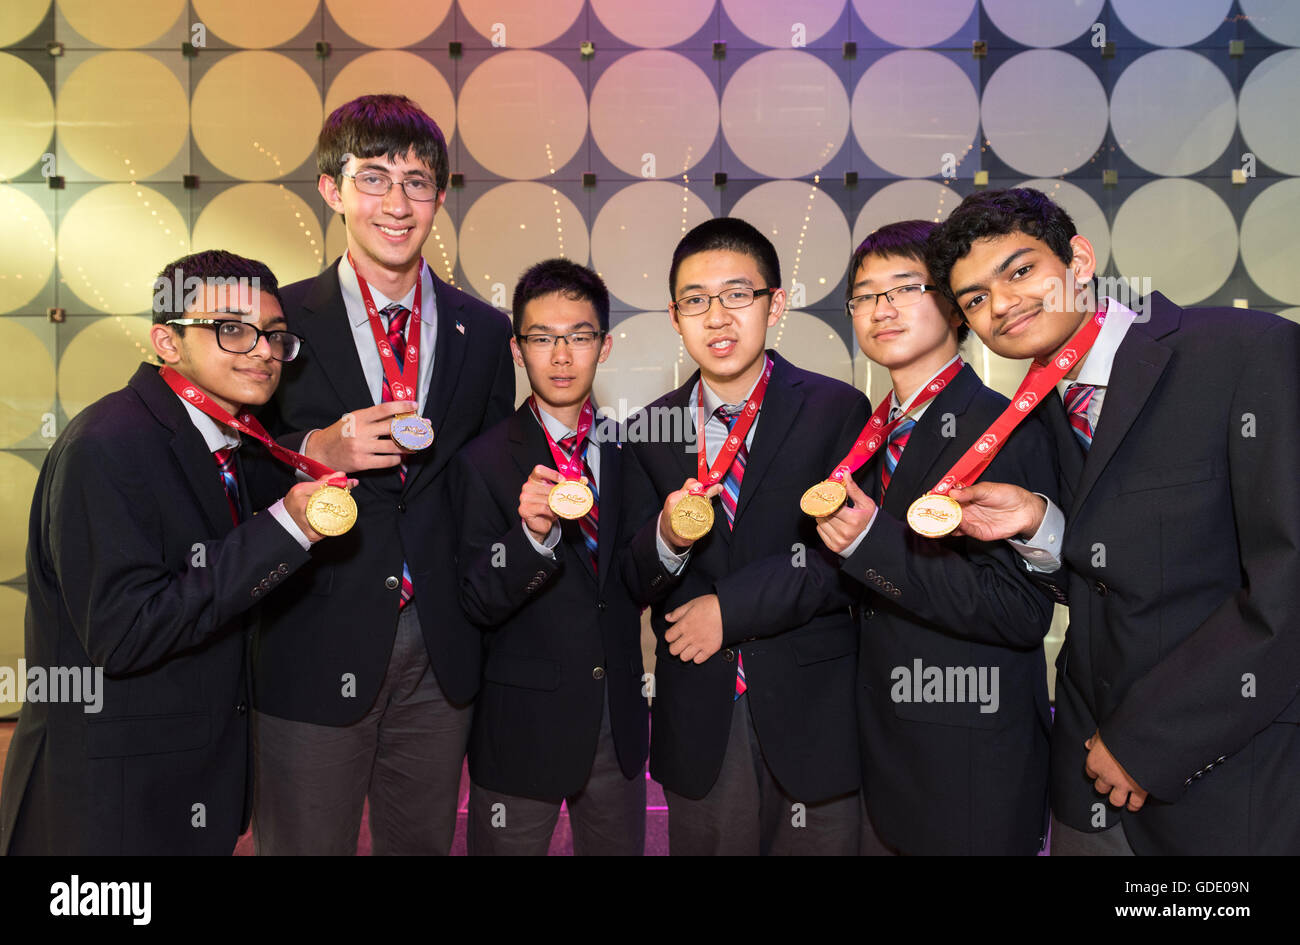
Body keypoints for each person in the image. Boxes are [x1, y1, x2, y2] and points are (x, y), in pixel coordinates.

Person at [928, 187, 1300, 855]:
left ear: (1078, 258)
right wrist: (1040, 526)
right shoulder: (1032, 413)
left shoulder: (1244, 352)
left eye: (1019, 271)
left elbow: (1287, 584)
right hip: (1083, 773)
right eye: (976, 299)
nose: (1003, 305)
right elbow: (1111, 573)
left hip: (1225, 770)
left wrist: (1150, 741)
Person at [0, 250, 340, 854]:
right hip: (112, 794)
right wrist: (283, 531)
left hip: (186, 778)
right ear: (167, 341)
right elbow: (124, 632)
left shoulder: (225, 442)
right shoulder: (107, 446)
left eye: (275, 336)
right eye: (232, 330)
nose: (263, 350)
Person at [252, 94, 514, 855]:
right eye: (374, 178)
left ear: (439, 195)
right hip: (310, 632)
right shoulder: (280, 323)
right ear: (332, 190)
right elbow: (232, 470)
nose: (397, 203)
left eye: (418, 181)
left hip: (440, 646)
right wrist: (315, 452)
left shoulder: (485, 329)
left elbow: (485, 479)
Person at [621, 217, 871, 855]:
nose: (718, 318)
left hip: (813, 707)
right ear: (675, 318)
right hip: (701, 710)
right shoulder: (650, 429)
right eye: (696, 301)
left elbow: (843, 560)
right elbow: (632, 577)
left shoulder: (835, 410)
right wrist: (668, 541)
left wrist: (727, 612)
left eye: (738, 295)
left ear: (775, 304)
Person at [813, 221, 1058, 854]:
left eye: (904, 287)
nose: (881, 308)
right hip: (882, 751)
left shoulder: (1003, 429)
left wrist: (871, 543)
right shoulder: (863, 439)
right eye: (864, 295)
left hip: (969, 761)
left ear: (952, 305)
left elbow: (1020, 611)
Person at [449, 259, 649, 855]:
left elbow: (638, 579)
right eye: (542, 338)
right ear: (517, 349)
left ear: (604, 346)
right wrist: (529, 538)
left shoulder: (628, 451)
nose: (562, 356)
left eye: (579, 337)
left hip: (617, 723)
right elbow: (474, 598)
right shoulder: (479, 462)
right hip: (520, 728)